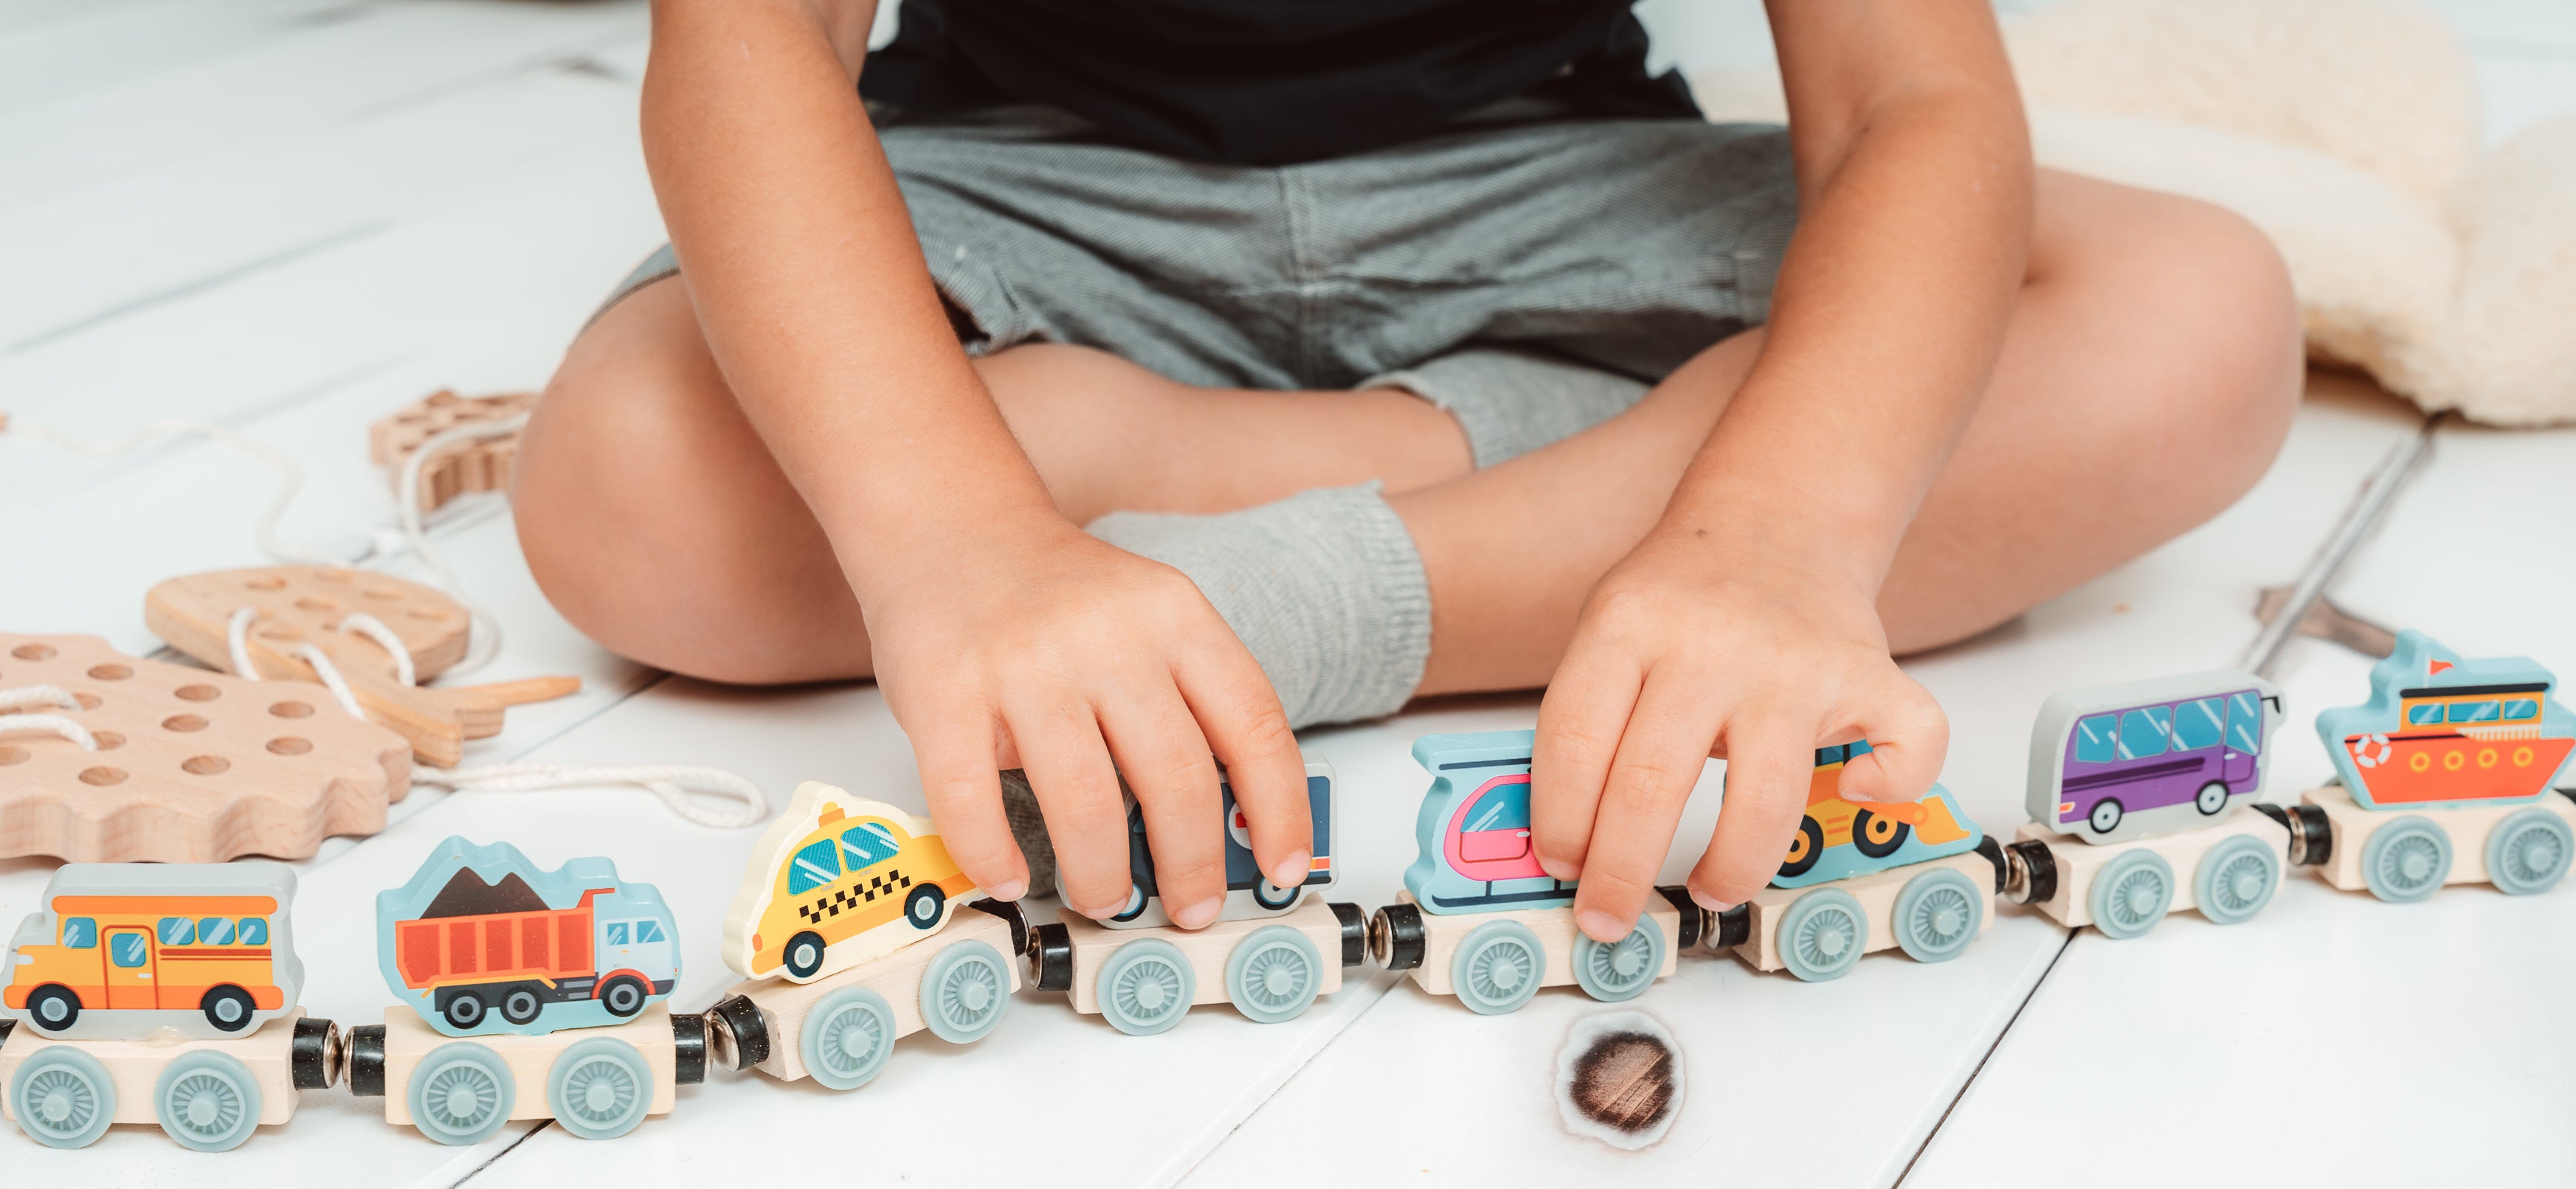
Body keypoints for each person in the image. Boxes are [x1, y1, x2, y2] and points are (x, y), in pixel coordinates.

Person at [514, 0, 2302, 947]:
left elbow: (1909, 101)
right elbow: (753, 41)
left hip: (1559, 178)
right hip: (1028, 182)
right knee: (633, 485)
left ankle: (1225, 549)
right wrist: (955, 546)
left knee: (2186, 319)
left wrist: (1778, 538)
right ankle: (1508, 455)